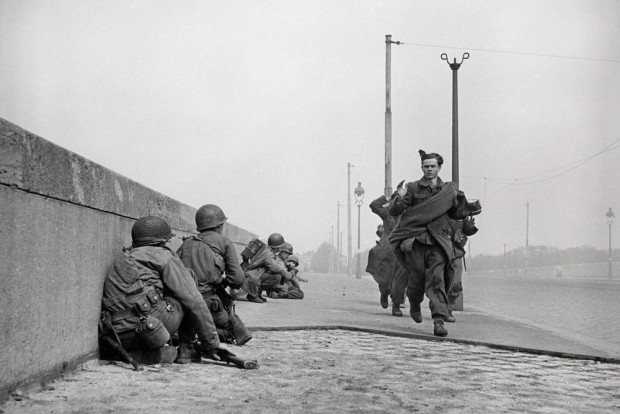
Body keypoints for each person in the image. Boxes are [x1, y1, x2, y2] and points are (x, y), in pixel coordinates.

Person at [100, 216, 238, 365]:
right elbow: (194, 301)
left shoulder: (123, 257)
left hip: (117, 334)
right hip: (149, 329)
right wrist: (212, 344)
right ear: (162, 240)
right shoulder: (162, 255)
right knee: (187, 280)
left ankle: (140, 354)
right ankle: (187, 349)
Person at [388, 150, 479, 337]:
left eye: (433, 166)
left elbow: (455, 214)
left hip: (438, 242)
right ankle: (414, 303)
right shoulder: (413, 188)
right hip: (416, 241)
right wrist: (399, 197)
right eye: (426, 166)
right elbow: (395, 211)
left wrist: (467, 215)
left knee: (437, 280)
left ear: (439, 168)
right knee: (416, 279)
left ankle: (438, 320)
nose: (429, 169)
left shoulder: (447, 190)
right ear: (422, 167)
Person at [177, 204, 252, 346]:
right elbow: (237, 279)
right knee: (231, 331)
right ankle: (205, 334)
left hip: (184, 301)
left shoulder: (186, 243)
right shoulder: (224, 242)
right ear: (219, 225)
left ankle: (193, 332)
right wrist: (222, 282)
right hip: (209, 301)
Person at [367, 194, 408, 317]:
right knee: (385, 280)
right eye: (398, 201)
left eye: (402, 201)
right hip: (386, 252)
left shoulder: (407, 216)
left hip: (400, 252)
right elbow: (374, 205)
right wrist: (388, 198)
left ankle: (396, 306)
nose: (399, 204)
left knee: (399, 282)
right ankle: (384, 293)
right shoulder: (387, 214)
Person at [241, 233, 292, 303]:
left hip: (252, 272)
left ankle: (257, 293)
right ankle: (252, 295)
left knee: (274, 275)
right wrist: (283, 272)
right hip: (251, 275)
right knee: (277, 277)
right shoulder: (268, 253)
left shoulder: (266, 250)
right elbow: (274, 267)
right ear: (278, 246)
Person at [445, 217, 478, 322]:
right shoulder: (441, 207)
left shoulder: (461, 214)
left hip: (456, 252)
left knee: (456, 284)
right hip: (441, 252)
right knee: (438, 283)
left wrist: (469, 227)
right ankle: (438, 309)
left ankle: (448, 310)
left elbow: (466, 231)